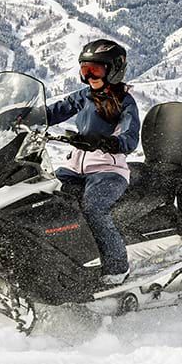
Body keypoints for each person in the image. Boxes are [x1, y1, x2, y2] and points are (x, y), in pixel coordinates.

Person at [43, 39, 143, 285]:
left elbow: (130, 138)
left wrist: (109, 142)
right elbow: (56, 110)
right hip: (74, 168)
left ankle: (117, 268)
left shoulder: (125, 101)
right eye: (85, 70)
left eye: (96, 70)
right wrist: (24, 116)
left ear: (114, 70)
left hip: (108, 171)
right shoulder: (85, 96)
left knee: (93, 208)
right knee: (44, 197)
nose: (90, 77)